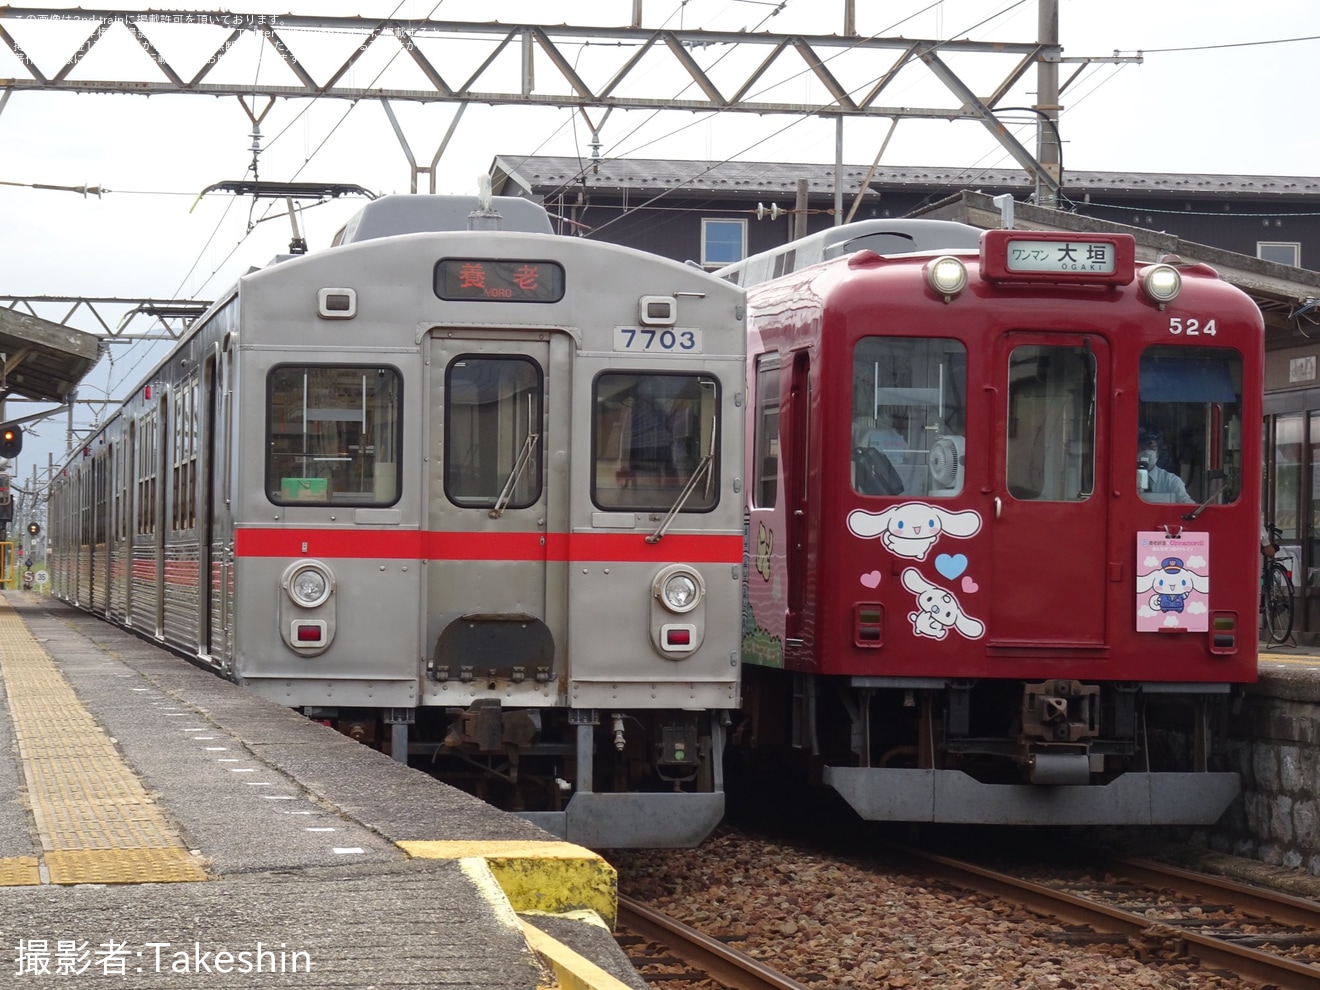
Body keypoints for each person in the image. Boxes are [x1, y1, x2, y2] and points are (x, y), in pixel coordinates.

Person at [1137, 428, 1192, 502]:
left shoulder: (1171, 481)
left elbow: (1187, 507)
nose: (1146, 452)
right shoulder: (1125, 479)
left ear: (1158, 452)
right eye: (1142, 448)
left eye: (1152, 448)